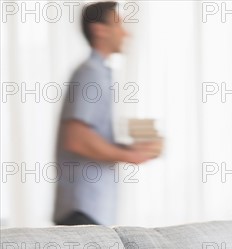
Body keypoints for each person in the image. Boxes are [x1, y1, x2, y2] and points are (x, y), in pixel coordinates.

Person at [53, 1, 159, 226]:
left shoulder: (98, 73)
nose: (125, 33)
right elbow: (77, 140)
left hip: (89, 210)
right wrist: (130, 156)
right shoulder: (90, 74)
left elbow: (88, 137)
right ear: (99, 30)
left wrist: (130, 149)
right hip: (82, 210)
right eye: (118, 24)